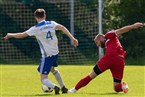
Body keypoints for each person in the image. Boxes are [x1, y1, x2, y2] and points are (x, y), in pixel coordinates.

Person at [3, 8, 78, 94]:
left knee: (43, 79)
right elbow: (63, 28)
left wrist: (10, 35)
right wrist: (72, 38)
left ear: (35, 17)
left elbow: (21, 35)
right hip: (55, 53)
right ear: (45, 16)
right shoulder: (52, 23)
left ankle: (55, 87)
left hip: (47, 56)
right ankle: (63, 88)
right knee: (53, 69)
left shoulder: (36, 28)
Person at [69, 22, 143, 93]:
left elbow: (121, 30)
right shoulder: (110, 42)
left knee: (91, 76)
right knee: (116, 87)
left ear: (101, 38)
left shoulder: (108, 35)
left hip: (109, 59)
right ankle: (124, 87)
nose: (98, 45)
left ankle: (74, 89)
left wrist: (133, 26)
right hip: (120, 61)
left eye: (97, 42)